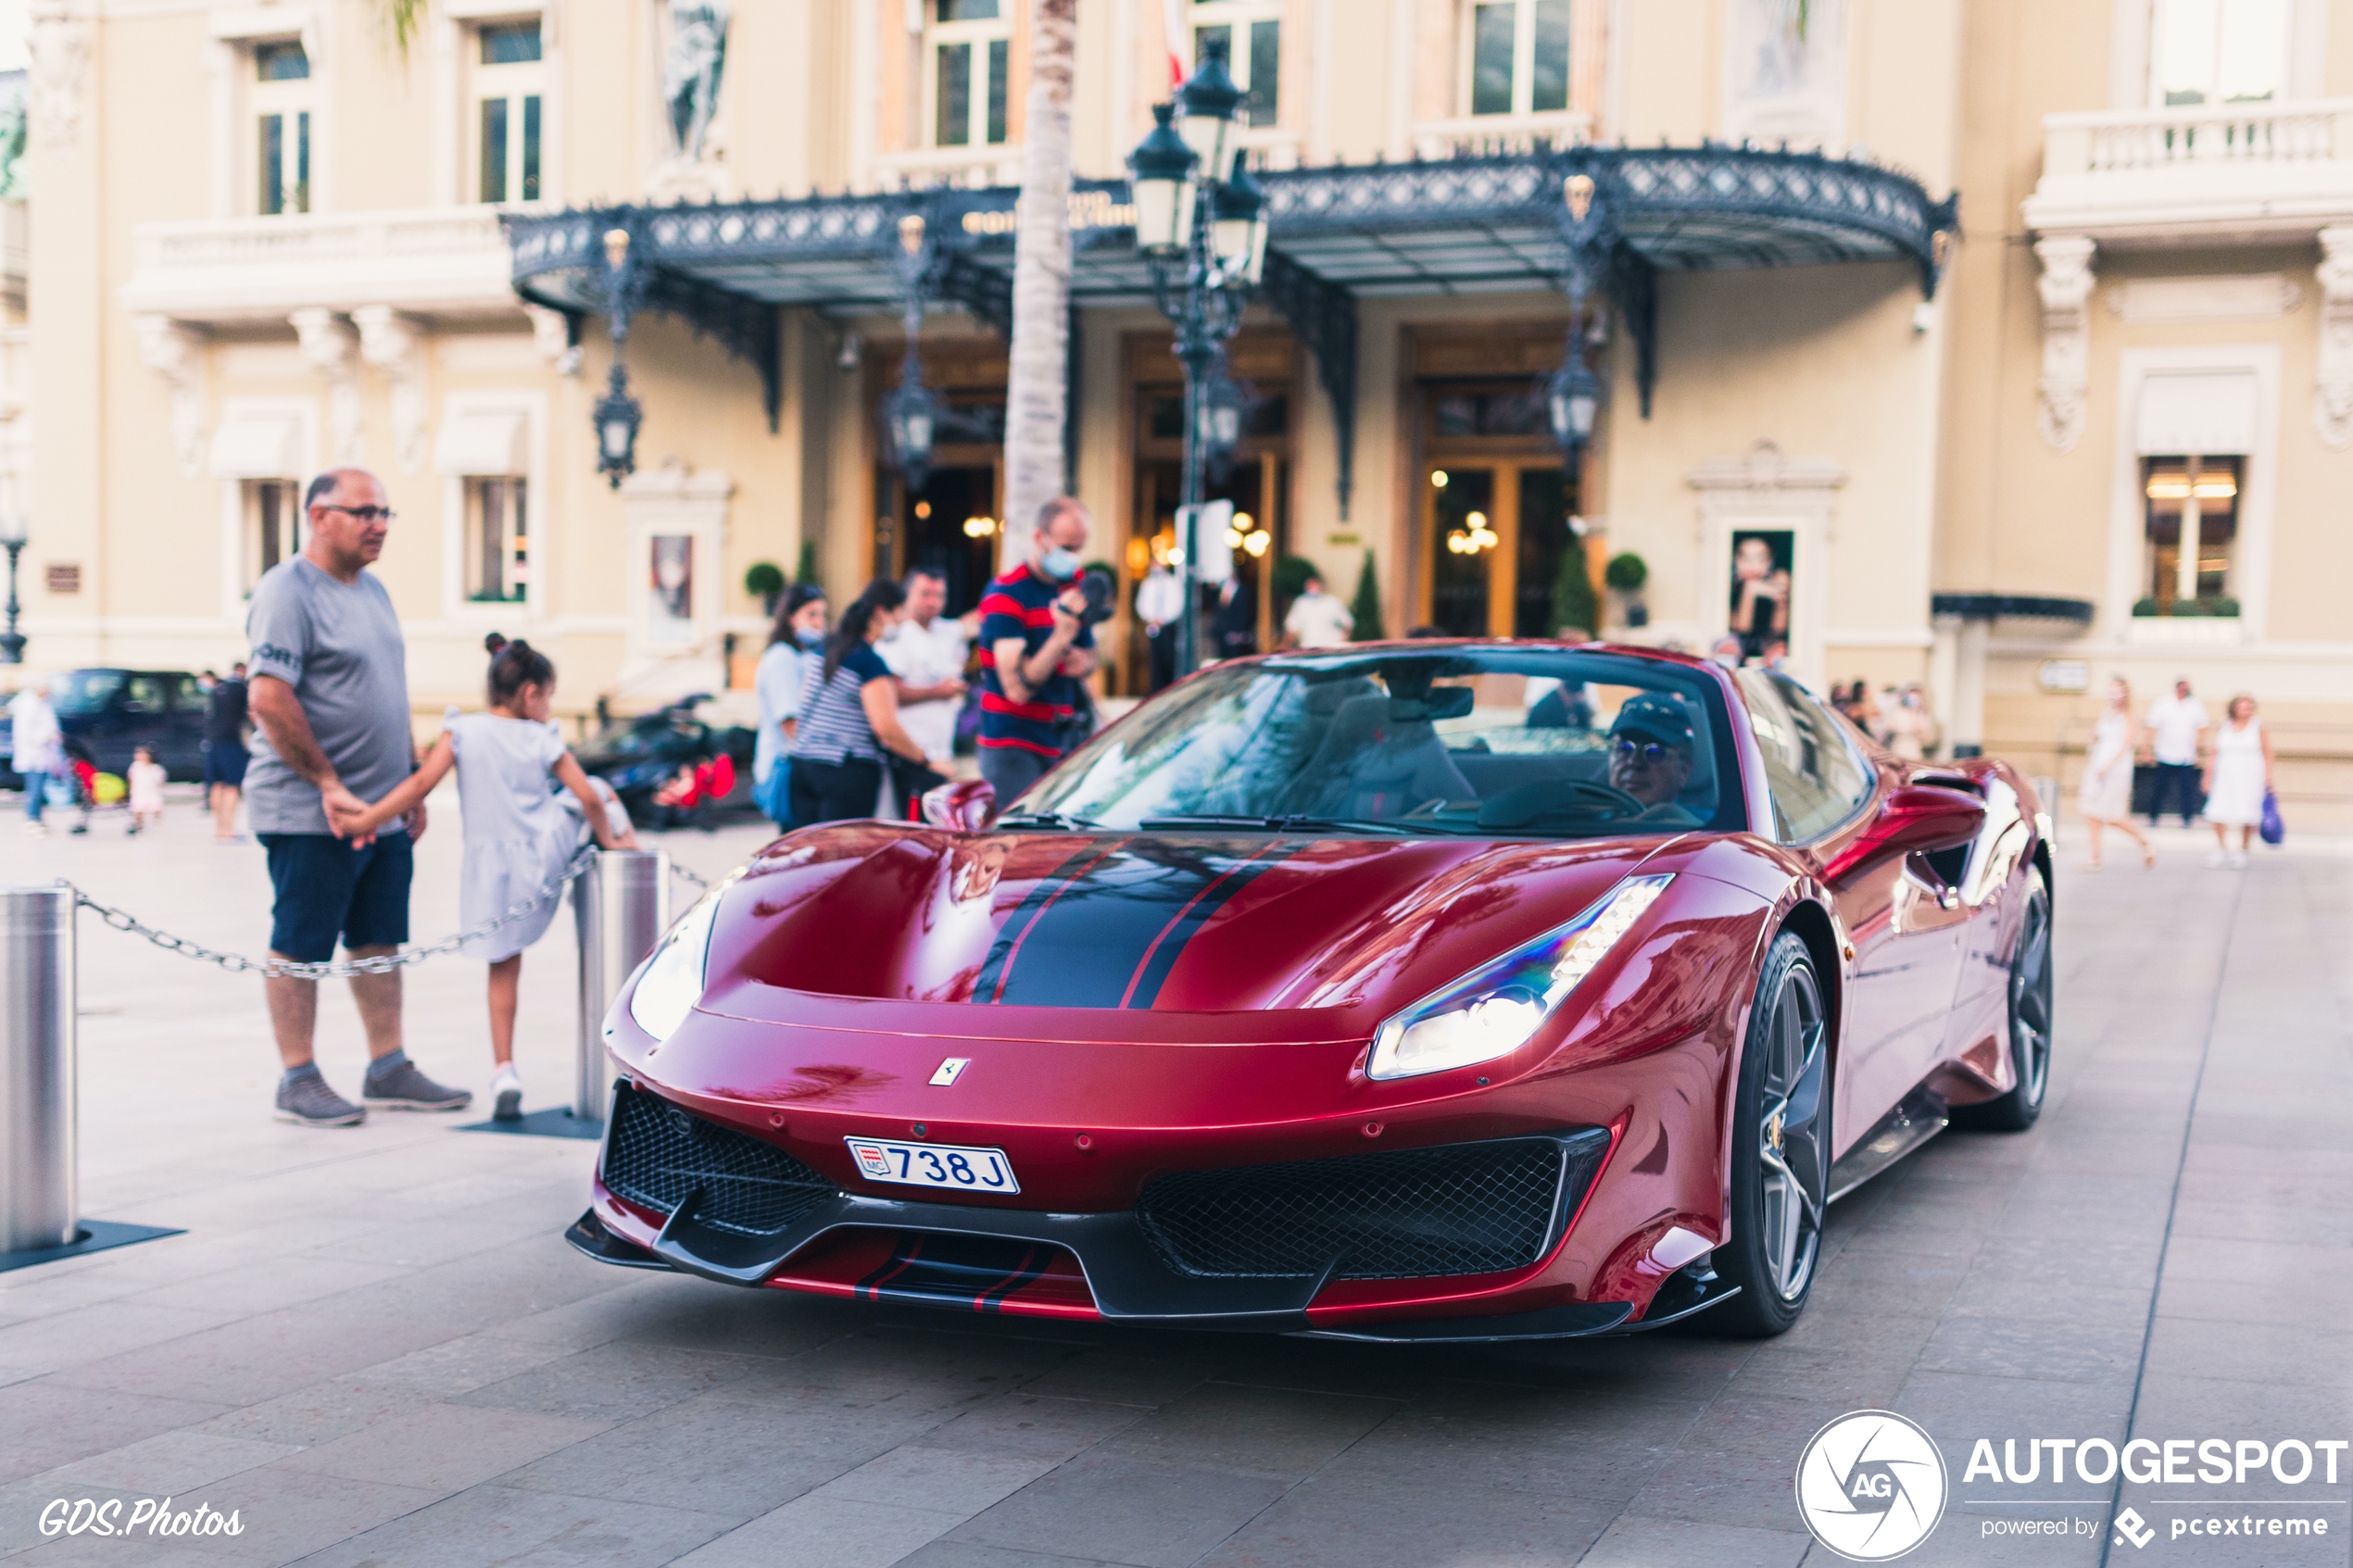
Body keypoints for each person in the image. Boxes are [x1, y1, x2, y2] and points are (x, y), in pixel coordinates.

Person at [245, 467, 470, 1127]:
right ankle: (298, 1076)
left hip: (382, 807)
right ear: (319, 516)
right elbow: (268, 696)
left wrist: (407, 778)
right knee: (301, 941)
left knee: (379, 939)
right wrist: (327, 782)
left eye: (386, 513)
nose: (379, 524)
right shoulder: (287, 590)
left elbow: (387, 687)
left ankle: (388, 1065)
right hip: (312, 812)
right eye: (364, 511)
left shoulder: (374, 591)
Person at [333, 635, 636, 1122]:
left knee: (503, 967)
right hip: (543, 854)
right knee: (602, 789)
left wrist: (365, 820)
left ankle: (504, 1070)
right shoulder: (541, 737)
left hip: (489, 871)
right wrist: (613, 840)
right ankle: (626, 854)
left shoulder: (461, 731)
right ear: (532, 694)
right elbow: (589, 797)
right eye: (550, 695)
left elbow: (418, 786)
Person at [976, 498, 1101, 806]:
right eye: (1065, 547)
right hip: (1013, 745)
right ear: (1039, 538)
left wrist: (1082, 662)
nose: (1073, 557)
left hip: (1062, 740)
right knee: (1019, 842)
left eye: (1078, 548)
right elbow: (1016, 687)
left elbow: (1091, 654)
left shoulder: (1072, 585)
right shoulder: (1006, 594)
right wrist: (1060, 638)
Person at [789, 578, 935, 825]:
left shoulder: (825, 650)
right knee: (841, 858)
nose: (902, 622)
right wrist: (924, 760)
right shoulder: (868, 663)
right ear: (882, 612)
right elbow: (885, 726)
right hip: (844, 771)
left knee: (803, 857)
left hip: (803, 766)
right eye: (901, 613)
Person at [878, 567, 973, 767]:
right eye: (925, 594)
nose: (933, 601)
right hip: (909, 752)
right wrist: (939, 691)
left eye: (939, 595)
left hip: (942, 749)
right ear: (908, 595)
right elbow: (890, 693)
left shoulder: (947, 630)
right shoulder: (897, 634)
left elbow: (981, 618)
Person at [753, 584, 826, 830]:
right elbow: (789, 721)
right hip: (786, 767)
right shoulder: (781, 658)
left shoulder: (805, 655)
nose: (819, 622)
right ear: (790, 617)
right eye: (811, 614)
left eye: (822, 615)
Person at [2077, 676, 2155, 871]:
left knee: (2111, 816)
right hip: (2098, 765)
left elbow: (2127, 745)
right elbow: (2099, 739)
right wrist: (2093, 738)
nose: (2113, 694)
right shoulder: (2106, 714)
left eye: (2117, 690)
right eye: (2110, 690)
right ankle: (2095, 858)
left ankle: (2145, 841)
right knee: (2091, 813)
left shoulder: (2130, 715)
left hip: (2116, 769)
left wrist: (2108, 766)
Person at [1605, 695, 1703, 827]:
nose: (1634, 762)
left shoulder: (1707, 829)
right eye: (1624, 749)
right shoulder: (1584, 818)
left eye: (1655, 752)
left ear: (1684, 770)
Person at [2201, 693, 2272, 868]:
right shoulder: (2225, 726)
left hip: (2249, 775)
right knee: (2217, 811)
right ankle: (2221, 848)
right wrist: (2207, 776)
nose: (2247, 710)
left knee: (2247, 813)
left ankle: (2243, 850)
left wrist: (2268, 777)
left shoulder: (2258, 727)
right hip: (2226, 775)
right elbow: (2213, 752)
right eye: (2243, 706)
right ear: (2234, 708)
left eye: (2250, 707)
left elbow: (2268, 753)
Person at [2142, 677, 2209, 828]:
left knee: (2187, 790)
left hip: (2186, 756)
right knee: (2159, 788)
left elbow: (2202, 727)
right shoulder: (2162, 704)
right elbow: (2151, 727)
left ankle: (2187, 818)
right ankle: (2153, 816)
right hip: (2164, 754)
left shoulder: (2195, 705)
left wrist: (2199, 748)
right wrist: (2147, 750)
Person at [204, 659, 251, 843]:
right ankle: (228, 829)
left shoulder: (218, 687)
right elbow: (250, 712)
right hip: (231, 741)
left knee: (217, 784)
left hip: (213, 741)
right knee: (232, 785)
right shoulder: (240, 688)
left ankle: (219, 828)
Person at [9, 678, 63, 835]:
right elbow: (26, 731)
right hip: (33, 754)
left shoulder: (43, 703)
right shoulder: (28, 704)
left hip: (44, 754)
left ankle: (38, 818)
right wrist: (46, 736)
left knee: (40, 789)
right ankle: (31, 819)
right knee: (34, 788)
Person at [1730, 536, 1789, 660]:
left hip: (1771, 653)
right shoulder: (1730, 587)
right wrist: (1749, 590)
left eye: (1760, 559)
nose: (1752, 565)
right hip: (1741, 653)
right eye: (1745, 558)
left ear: (1770, 562)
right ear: (1735, 560)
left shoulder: (1779, 578)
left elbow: (1779, 629)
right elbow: (1742, 628)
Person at [1135, 558, 1185, 691]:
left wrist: (1163, 619)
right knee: (1154, 661)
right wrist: (1151, 618)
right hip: (1152, 626)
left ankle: (1168, 688)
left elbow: (1177, 604)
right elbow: (1141, 604)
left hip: (1167, 626)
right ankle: (1155, 690)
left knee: (1168, 658)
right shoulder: (1148, 583)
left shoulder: (1173, 582)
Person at [1282, 572, 1354, 649]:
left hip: (1331, 648)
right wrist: (1286, 646)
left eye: (1315, 586)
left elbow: (1348, 623)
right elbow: (1292, 627)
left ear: (1321, 586)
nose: (1313, 589)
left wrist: (1342, 640)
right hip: (1309, 648)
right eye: (1310, 586)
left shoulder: (1331, 602)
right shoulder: (1301, 604)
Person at [1881, 683, 1938, 761]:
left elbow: (1929, 740)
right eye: (1911, 693)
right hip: (1899, 746)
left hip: (1914, 748)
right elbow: (1889, 727)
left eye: (1917, 694)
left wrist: (1920, 727)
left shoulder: (1922, 714)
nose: (1914, 697)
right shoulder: (1898, 711)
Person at [1210, 577, 1256, 661]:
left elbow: (1244, 614)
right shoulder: (1221, 590)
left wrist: (1237, 632)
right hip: (1224, 637)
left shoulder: (1242, 593)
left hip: (1236, 638)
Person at [126, 746, 167, 834]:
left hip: (152, 791)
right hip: (139, 791)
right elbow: (131, 779)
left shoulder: (156, 768)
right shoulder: (135, 767)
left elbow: (161, 780)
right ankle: (138, 825)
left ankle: (157, 823)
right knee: (138, 809)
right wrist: (131, 790)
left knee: (156, 806)